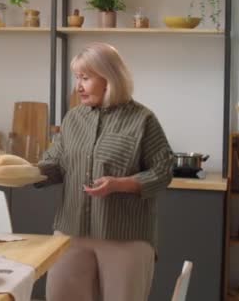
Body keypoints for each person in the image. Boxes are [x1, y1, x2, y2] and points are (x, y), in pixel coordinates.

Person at [37, 42, 173, 301]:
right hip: (71, 232)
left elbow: (163, 172)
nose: (78, 86)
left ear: (110, 77)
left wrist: (119, 184)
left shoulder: (143, 119)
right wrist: (27, 173)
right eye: (77, 78)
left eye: (85, 78)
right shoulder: (73, 118)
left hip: (125, 237)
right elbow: (55, 163)